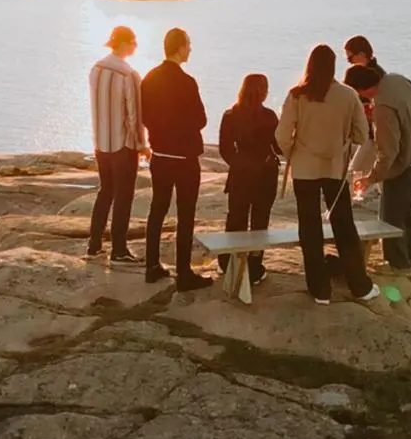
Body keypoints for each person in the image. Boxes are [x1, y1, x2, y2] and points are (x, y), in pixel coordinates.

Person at [276, 45, 381, 305]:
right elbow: (361, 133)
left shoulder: (297, 95)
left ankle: (319, 290)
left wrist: (295, 151)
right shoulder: (347, 95)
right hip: (335, 168)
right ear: (334, 66)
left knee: (309, 227)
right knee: (344, 225)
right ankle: (360, 285)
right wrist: (342, 143)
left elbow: (280, 135)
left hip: (304, 169)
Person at [140, 27, 212, 291]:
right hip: (184, 158)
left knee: (157, 210)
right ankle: (183, 273)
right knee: (185, 214)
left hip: (159, 155)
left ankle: (152, 266)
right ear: (180, 47)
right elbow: (201, 119)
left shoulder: (149, 79)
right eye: (188, 45)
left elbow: (144, 115)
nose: (190, 49)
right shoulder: (187, 82)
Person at [345, 63, 411, 273]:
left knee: (390, 216)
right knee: (405, 207)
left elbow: (388, 152)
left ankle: (398, 264)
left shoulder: (382, 107)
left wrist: (370, 177)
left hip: (405, 163)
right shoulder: (397, 79)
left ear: (360, 89)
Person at [87, 26, 146, 263]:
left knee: (105, 191)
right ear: (124, 43)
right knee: (123, 195)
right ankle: (119, 249)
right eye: (134, 42)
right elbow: (135, 115)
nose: (136, 46)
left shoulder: (96, 69)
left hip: (101, 142)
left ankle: (94, 244)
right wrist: (142, 145)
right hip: (123, 144)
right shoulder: (129, 75)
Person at [217, 73, 281, 285]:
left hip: (241, 172)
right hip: (265, 172)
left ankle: (228, 263)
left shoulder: (230, 115)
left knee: (236, 217)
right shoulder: (270, 116)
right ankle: (254, 267)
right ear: (263, 92)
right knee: (260, 221)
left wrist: (239, 163)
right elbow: (278, 148)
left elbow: (225, 149)